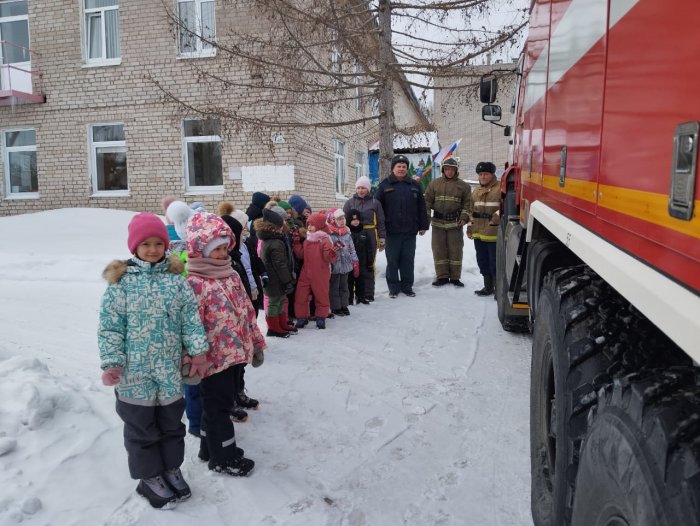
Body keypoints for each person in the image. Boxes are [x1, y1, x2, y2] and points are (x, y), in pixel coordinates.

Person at [98, 212, 210, 509]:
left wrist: (199, 352)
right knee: (141, 429)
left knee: (172, 426)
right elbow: (110, 326)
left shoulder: (175, 282)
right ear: (134, 246)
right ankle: (149, 478)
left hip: (169, 372)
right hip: (134, 375)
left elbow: (191, 320)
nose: (152, 249)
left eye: (158, 243)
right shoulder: (121, 284)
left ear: (166, 245)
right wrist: (112, 362)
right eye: (145, 243)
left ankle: (171, 469)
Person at [184, 212, 263, 477]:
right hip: (210, 358)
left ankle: (208, 448)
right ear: (201, 250)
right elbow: (188, 325)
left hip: (234, 355)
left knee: (216, 405)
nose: (221, 253)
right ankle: (225, 457)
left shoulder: (230, 275)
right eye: (215, 249)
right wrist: (189, 357)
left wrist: (256, 341)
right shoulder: (194, 283)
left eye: (223, 247)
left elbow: (246, 312)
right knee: (218, 408)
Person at [374, 154, 429, 298]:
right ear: (393, 168)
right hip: (391, 231)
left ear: (407, 168)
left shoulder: (414, 185)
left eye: (404, 166)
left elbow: (422, 207)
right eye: (398, 166)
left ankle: (407, 286)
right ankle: (393, 287)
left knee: (408, 259)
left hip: (410, 231)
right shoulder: (384, 185)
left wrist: (423, 225)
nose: (401, 169)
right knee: (392, 260)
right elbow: (377, 207)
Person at [424, 157, 472, 287]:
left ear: (456, 171)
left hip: (455, 224)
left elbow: (468, 204)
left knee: (455, 250)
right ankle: (442, 277)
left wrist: (464, 217)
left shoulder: (463, 186)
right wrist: (426, 219)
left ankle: (455, 277)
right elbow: (427, 202)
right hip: (438, 223)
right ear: (443, 170)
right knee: (438, 250)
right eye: (447, 169)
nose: (449, 172)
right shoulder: (434, 184)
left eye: (452, 170)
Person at [342, 175, 385, 302]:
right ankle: (351, 294)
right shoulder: (349, 202)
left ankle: (368, 293)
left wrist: (382, 238)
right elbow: (343, 221)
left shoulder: (375, 203)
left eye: (363, 188)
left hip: (370, 235)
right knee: (352, 264)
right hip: (352, 236)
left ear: (368, 189)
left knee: (368, 264)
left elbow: (381, 221)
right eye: (359, 188)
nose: (361, 190)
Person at [255, 208, 296, 337]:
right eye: (279, 226)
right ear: (274, 227)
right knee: (274, 303)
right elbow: (280, 265)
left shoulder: (271, 240)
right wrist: (287, 280)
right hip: (275, 279)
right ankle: (273, 328)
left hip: (275, 279)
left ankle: (281, 323)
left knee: (279, 301)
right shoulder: (275, 243)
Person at [293, 212, 338, 329]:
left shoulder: (324, 240)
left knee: (321, 295)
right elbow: (301, 254)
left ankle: (321, 317)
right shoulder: (308, 239)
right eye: (308, 224)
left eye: (312, 225)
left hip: (320, 273)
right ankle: (302, 317)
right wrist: (297, 243)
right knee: (300, 295)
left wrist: (332, 252)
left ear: (318, 225)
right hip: (305, 272)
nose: (309, 227)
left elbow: (329, 257)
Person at [467, 161, 501, 296]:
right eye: (481, 174)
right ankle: (488, 287)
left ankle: (498, 290)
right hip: (478, 234)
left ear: (492, 175)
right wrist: (470, 226)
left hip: (493, 233)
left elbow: (505, 207)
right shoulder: (476, 191)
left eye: (486, 174)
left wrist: (496, 218)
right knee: (482, 261)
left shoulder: (500, 188)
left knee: (495, 262)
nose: (483, 177)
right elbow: (470, 210)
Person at [327, 208, 359, 317]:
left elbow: (352, 249)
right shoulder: (330, 234)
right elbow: (328, 251)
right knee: (334, 287)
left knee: (344, 286)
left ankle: (344, 305)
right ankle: (336, 307)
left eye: (343, 218)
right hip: (335, 266)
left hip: (346, 265)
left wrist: (355, 261)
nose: (342, 221)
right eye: (339, 219)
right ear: (332, 220)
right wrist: (334, 249)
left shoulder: (347, 233)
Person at [346, 209, 372, 305]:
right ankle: (349, 299)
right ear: (349, 221)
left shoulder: (364, 232)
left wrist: (370, 262)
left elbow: (369, 248)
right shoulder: (347, 233)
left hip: (362, 261)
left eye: (357, 219)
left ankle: (361, 297)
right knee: (349, 281)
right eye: (353, 220)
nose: (355, 221)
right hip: (349, 262)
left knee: (361, 280)